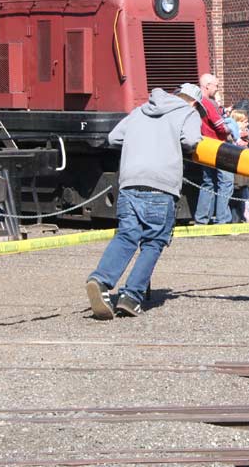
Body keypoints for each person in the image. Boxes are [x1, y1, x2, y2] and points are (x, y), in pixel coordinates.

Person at [86, 83, 203, 319]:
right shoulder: (188, 112)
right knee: (154, 242)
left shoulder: (140, 110)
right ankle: (131, 296)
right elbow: (191, 141)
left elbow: (114, 137)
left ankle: (101, 280)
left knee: (126, 235)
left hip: (130, 182)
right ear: (194, 102)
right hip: (161, 184)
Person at [194, 73, 233, 225]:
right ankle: (222, 219)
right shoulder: (208, 103)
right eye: (216, 86)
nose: (217, 89)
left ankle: (201, 219)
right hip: (218, 147)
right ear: (207, 85)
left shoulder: (196, 102)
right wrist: (231, 130)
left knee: (208, 182)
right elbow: (220, 127)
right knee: (226, 182)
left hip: (203, 146)